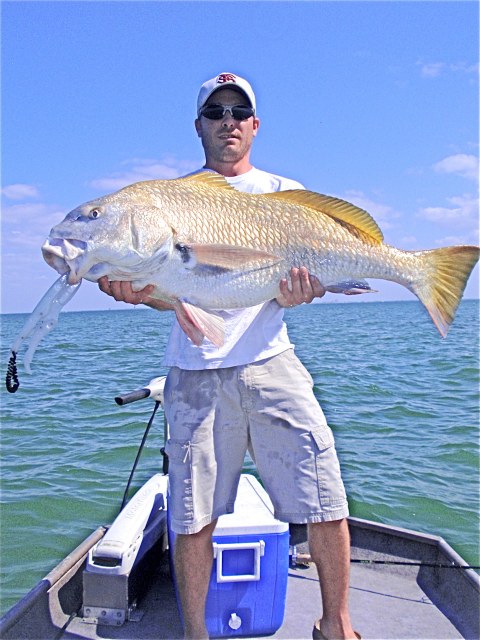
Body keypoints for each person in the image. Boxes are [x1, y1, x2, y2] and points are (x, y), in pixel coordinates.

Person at [98, 72, 360, 640]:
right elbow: (170, 285)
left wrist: (310, 288)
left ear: (255, 124)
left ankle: (337, 627)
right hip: (193, 373)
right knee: (193, 516)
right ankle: (198, 634)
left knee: (323, 495)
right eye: (215, 112)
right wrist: (141, 292)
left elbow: (304, 272)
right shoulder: (170, 200)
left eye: (239, 111)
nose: (228, 121)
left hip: (272, 361)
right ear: (199, 127)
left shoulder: (283, 192)